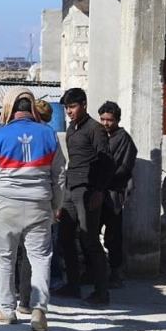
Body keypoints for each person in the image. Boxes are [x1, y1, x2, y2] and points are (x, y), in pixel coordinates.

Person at [0, 88, 64, 331]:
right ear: (33, 110)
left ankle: (7, 310)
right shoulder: (49, 135)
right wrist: (55, 205)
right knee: (40, 258)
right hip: (40, 204)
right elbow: (59, 176)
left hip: (6, 204)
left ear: (10, 109)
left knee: (5, 258)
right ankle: (39, 309)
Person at [52, 87, 115, 307]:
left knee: (89, 240)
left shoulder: (95, 129)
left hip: (88, 191)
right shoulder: (72, 128)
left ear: (84, 105)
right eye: (66, 108)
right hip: (71, 188)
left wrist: (99, 191)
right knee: (65, 238)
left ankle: (102, 293)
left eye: (72, 107)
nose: (69, 111)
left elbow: (107, 162)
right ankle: (73, 286)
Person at [98, 101, 138, 289]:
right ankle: (94, 270)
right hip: (97, 193)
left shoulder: (124, 140)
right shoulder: (99, 136)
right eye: (103, 119)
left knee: (113, 237)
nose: (106, 123)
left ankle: (115, 273)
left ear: (117, 120)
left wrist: (104, 179)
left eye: (110, 120)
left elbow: (123, 167)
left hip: (114, 195)